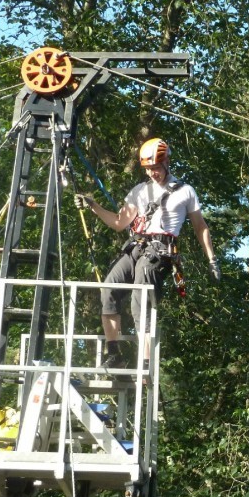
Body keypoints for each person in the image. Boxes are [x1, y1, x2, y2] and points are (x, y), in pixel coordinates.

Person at [74, 137, 220, 368]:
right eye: (149, 169)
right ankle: (114, 355)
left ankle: (144, 363)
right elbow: (119, 223)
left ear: (167, 162)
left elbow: (200, 227)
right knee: (109, 289)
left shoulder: (185, 191)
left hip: (159, 252)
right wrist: (93, 205)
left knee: (140, 298)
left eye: (156, 168)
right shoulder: (139, 192)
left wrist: (212, 259)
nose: (153, 173)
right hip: (135, 247)